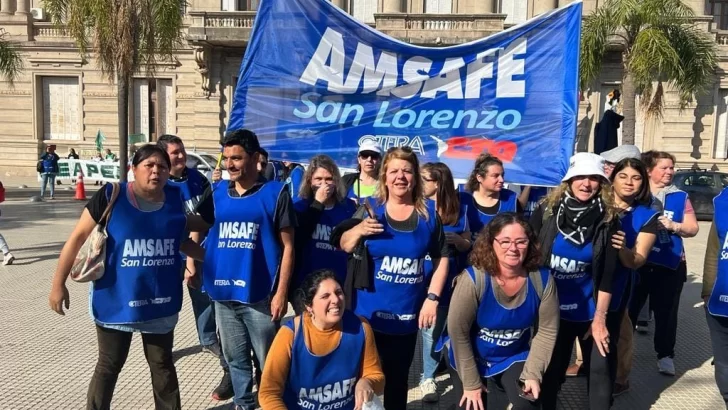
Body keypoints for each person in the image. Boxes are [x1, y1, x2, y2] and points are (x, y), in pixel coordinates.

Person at [48, 144, 205, 410]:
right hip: (117, 298)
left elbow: (180, 241)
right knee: (109, 365)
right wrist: (57, 284)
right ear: (134, 169)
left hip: (160, 299)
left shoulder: (176, 199)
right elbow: (77, 238)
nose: (156, 171)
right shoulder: (112, 194)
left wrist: (215, 261)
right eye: (149, 165)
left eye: (162, 167)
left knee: (162, 364)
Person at [190, 129, 296, 410]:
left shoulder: (275, 193)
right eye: (226, 159)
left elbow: (288, 247)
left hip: (259, 296)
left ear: (254, 158)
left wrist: (281, 293)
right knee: (236, 360)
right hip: (223, 295)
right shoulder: (217, 193)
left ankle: (273, 403)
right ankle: (243, 404)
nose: (230, 165)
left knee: (269, 363)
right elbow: (196, 226)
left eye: (236, 158)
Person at [336, 146, 449, 409]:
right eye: (394, 171)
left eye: (407, 171)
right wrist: (359, 230)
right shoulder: (371, 208)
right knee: (364, 383)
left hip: (406, 319)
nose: (401, 177)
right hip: (367, 317)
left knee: (397, 383)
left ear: (415, 177)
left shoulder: (428, 214)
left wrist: (432, 298)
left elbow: (443, 255)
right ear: (384, 175)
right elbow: (343, 243)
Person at [531, 152, 624, 410]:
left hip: (590, 311)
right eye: (580, 177)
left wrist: (600, 320)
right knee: (550, 373)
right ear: (569, 181)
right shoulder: (546, 211)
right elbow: (530, 259)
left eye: (593, 178)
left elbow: (607, 274)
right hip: (551, 312)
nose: (586, 184)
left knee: (600, 372)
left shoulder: (609, 219)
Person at [447, 212, 559, 410]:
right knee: (473, 405)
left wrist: (533, 374)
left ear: (530, 244)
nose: (513, 248)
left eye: (521, 242)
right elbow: (458, 332)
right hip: (469, 352)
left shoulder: (542, 280)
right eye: (505, 241)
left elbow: (547, 331)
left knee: (528, 404)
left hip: (512, 355)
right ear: (491, 242)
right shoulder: (474, 279)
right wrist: (472, 384)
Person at [156, 134, 233, 401]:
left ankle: (208, 338)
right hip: (166, 257)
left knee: (202, 297)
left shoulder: (198, 178)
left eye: (182, 151)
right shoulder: (159, 184)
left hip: (197, 251)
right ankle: (161, 345)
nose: (180, 156)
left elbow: (204, 218)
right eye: (175, 152)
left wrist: (194, 261)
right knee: (165, 303)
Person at [259, 269, 385, 409]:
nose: (336, 300)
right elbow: (268, 393)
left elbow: (377, 378)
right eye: (325, 296)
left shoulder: (360, 328)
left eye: (338, 292)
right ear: (309, 306)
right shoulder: (290, 334)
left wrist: (367, 382)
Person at [629, 151, 699, 376]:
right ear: (649, 171)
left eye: (672, 167)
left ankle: (665, 355)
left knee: (666, 313)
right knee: (628, 310)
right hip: (637, 262)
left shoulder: (680, 196)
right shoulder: (636, 195)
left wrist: (673, 225)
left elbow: (693, 228)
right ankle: (621, 355)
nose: (670, 172)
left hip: (669, 264)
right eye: (665, 167)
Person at [418, 162, 477, 402]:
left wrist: (458, 241)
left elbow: (468, 241)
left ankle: (432, 377)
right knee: (427, 329)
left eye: (424, 179)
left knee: (439, 327)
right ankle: (426, 375)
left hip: (450, 274)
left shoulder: (459, 205)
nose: (419, 183)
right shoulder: (417, 205)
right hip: (420, 273)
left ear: (438, 183)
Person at [607, 157, 659, 395]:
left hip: (620, 281)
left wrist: (623, 250)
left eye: (636, 178)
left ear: (643, 183)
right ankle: (585, 363)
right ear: (612, 178)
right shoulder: (596, 205)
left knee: (620, 329)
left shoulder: (646, 215)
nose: (629, 182)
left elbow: (638, 260)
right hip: (584, 278)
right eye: (623, 176)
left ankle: (620, 375)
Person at [292, 155, 356, 293]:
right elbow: (298, 238)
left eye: (328, 179)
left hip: (337, 282)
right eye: (318, 179)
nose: (324, 184)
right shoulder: (300, 207)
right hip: (306, 284)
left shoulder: (348, 208)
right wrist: (318, 203)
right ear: (309, 181)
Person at [702, 185, 728, 407]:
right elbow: (714, 250)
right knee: (724, 362)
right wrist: (708, 290)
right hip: (720, 300)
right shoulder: (722, 201)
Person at [465, 153, 520, 235]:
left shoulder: (510, 199)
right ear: (479, 177)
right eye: (495, 176)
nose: (501, 180)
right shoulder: (462, 198)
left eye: (502, 175)